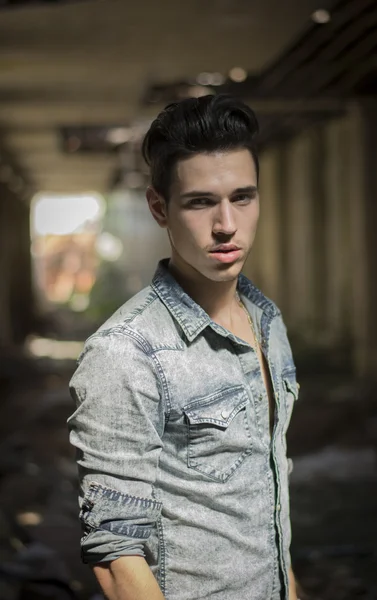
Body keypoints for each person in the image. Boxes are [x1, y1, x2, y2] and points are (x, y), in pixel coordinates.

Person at [68, 94, 300, 600]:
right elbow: (115, 555)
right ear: (159, 208)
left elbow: (262, 506)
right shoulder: (125, 351)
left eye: (243, 197)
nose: (226, 225)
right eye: (201, 202)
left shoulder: (266, 321)